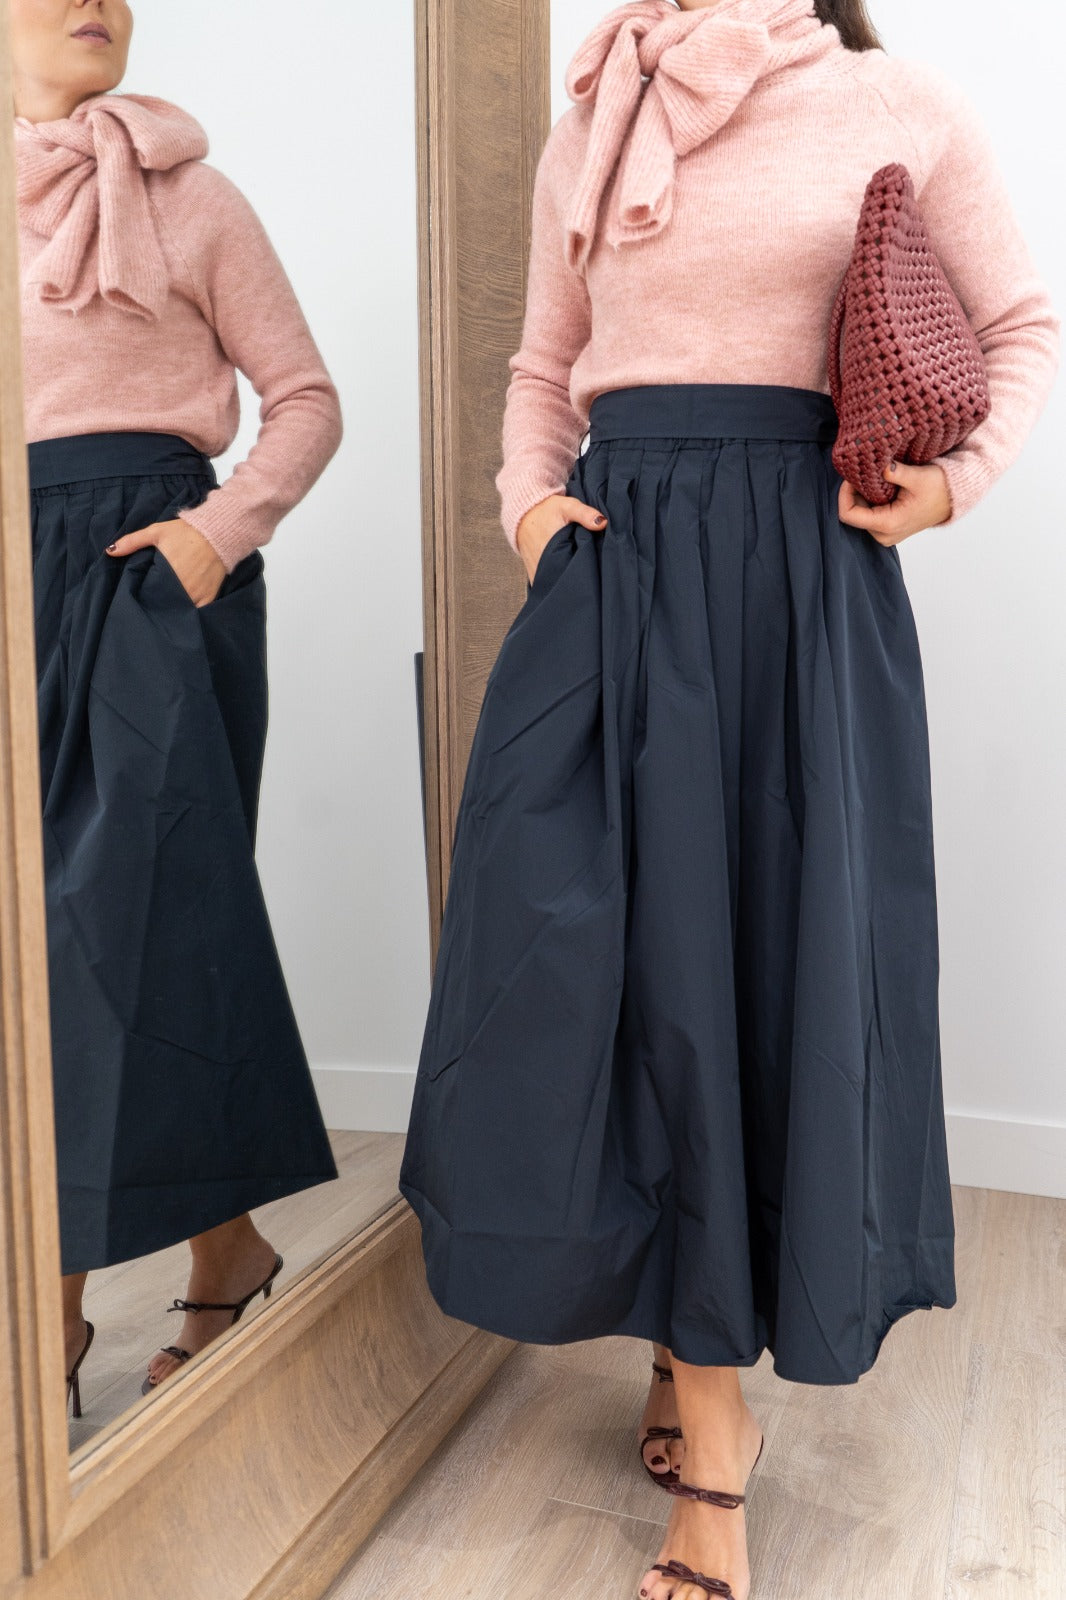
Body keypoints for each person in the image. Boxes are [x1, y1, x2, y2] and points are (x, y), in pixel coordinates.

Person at [399, 1, 1060, 1596]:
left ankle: (709, 1429)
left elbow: (1022, 324)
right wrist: (529, 509)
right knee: (586, 970)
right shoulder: (596, 114)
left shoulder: (891, 99)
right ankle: (682, 1338)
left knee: (751, 974)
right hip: (615, 569)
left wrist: (954, 488)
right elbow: (543, 362)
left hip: (796, 579)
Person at [12, 0, 344, 1410]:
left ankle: (45, 1322)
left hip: (153, 575)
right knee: (72, 951)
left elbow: (307, 399)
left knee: (107, 939)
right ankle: (229, 1252)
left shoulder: (194, 197)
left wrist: (217, 535)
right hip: (14, 580)